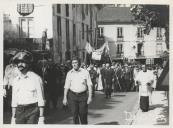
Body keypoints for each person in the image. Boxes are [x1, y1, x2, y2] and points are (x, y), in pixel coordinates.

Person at [6, 50, 45, 124]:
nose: (20, 64)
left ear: (28, 63)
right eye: (18, 62)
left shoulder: (36, 78)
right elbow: (14, 100)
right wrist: (13, 117)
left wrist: (41, 117)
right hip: (19, 111)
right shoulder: (15, 80)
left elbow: (41, 98)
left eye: (23, 62)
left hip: (32, 110)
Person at [62, 57, 93, 124]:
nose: (74, 64)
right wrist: (64, 98)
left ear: (79, 63)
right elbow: (66, 87)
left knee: (83, 114)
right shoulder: (69, 73)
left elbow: (89, 85)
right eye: (73, 63)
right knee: (74, 115)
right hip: (72, 96)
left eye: (76, 62)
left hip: (83, 96)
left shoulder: (85, 72)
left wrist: (90, 97)